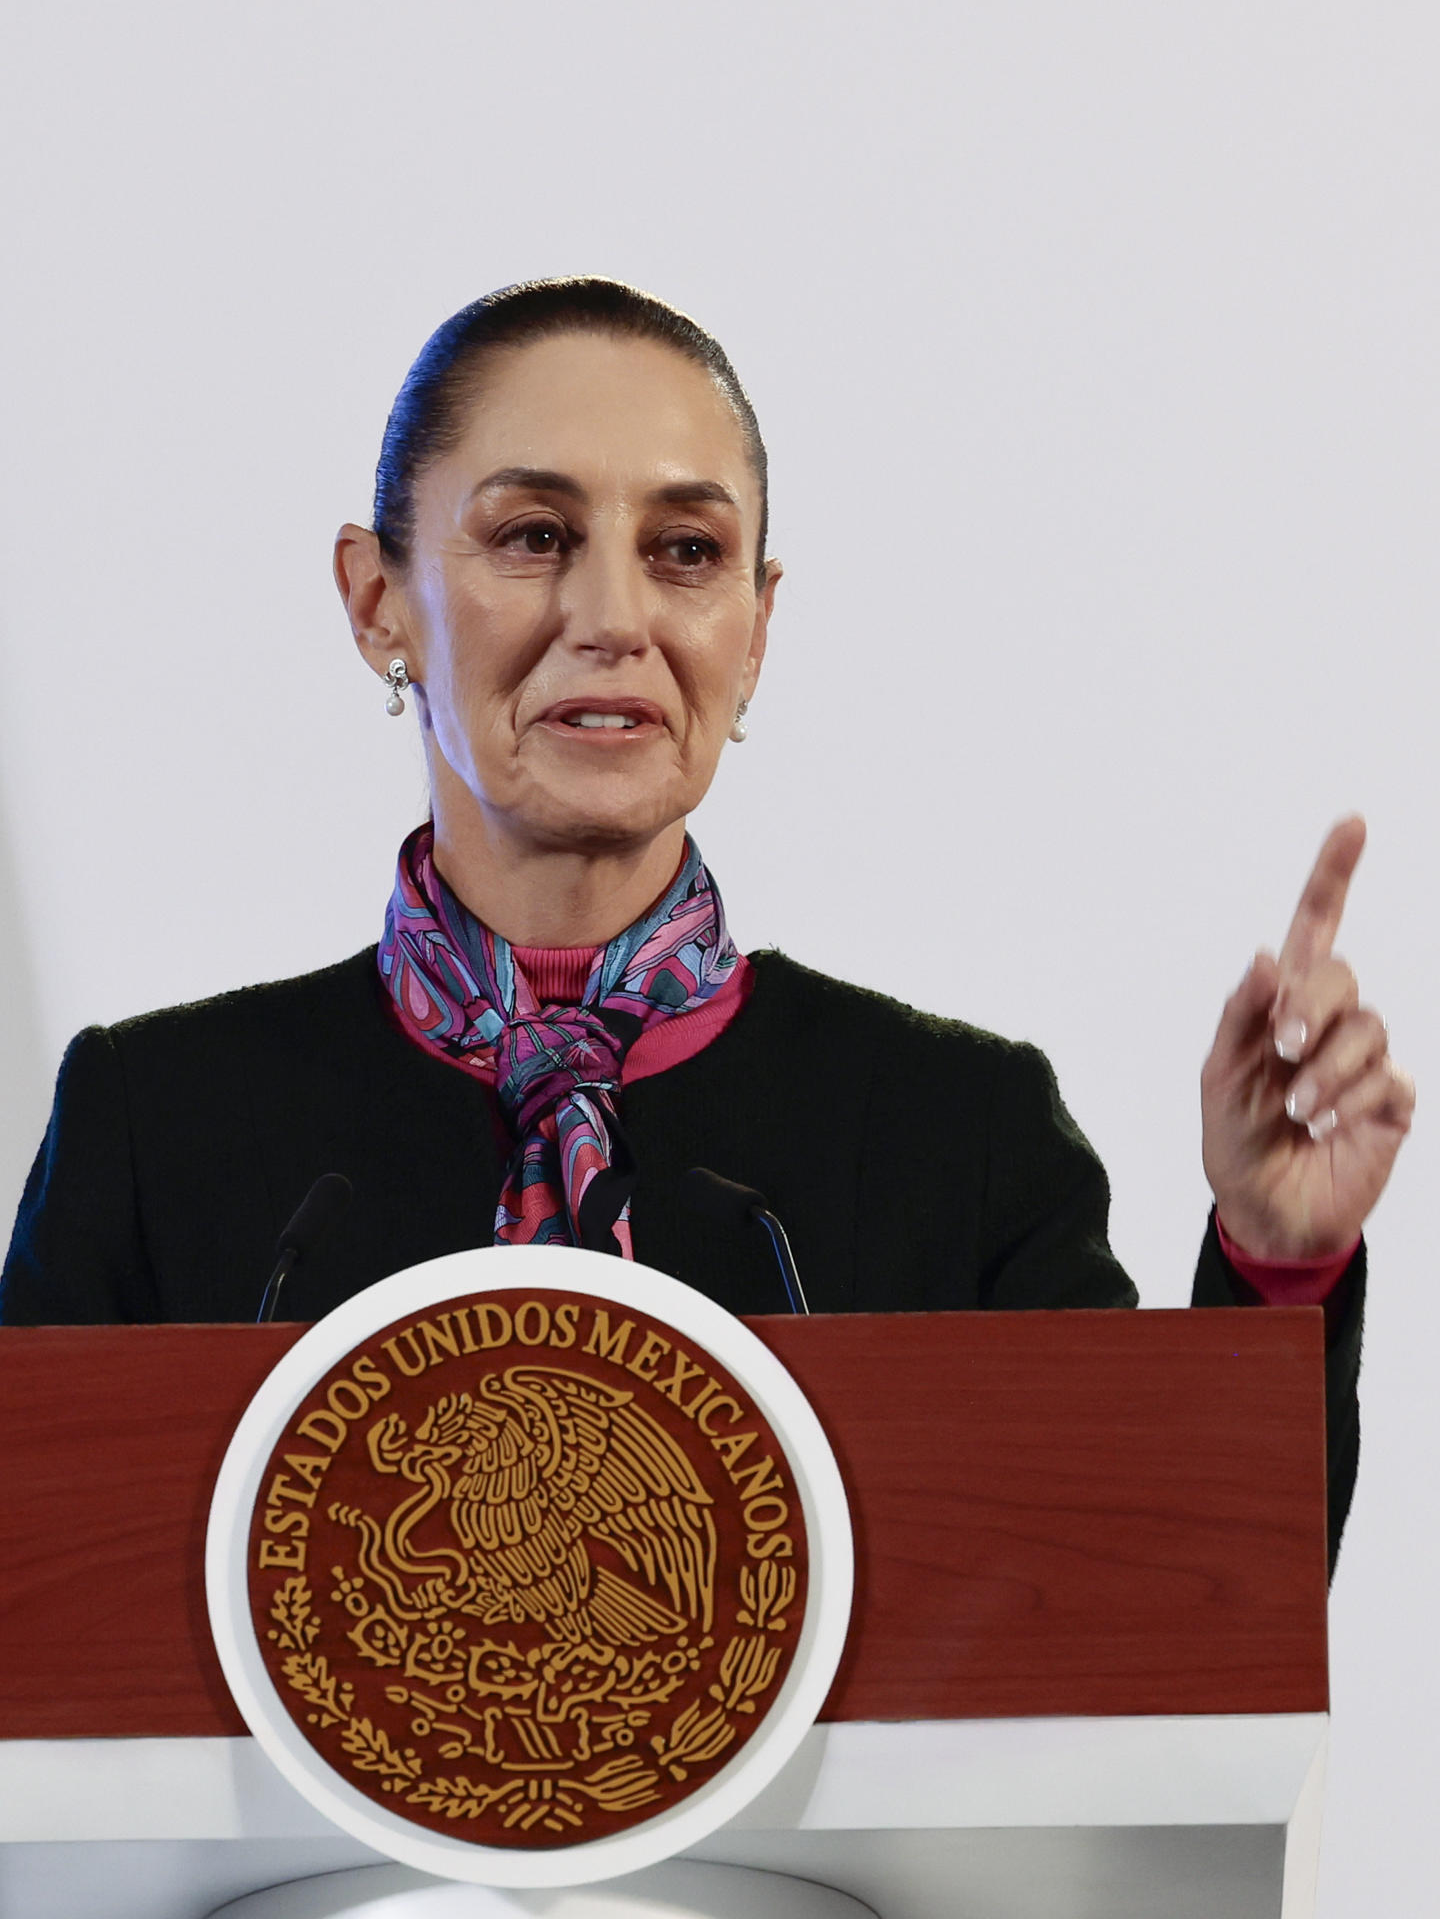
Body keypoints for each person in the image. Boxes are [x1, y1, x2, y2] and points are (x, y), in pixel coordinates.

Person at [1, 279, 1414, 1575]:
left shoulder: (957, 1133)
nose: (613, 616)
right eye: (534, 536)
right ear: (380, 602)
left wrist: (1276, 1262)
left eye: (685, 550)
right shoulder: (158, 1124)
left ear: (754, 625)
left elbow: (1185, 1599)